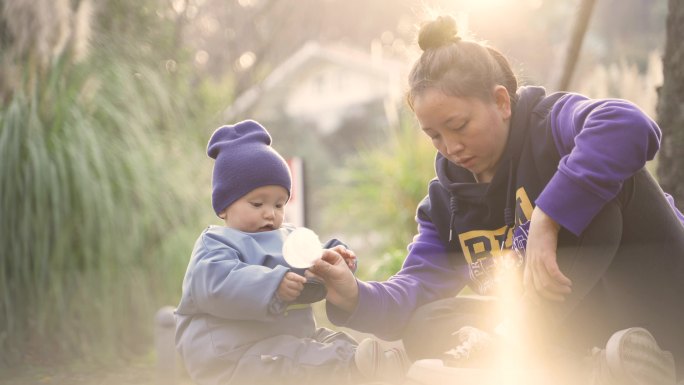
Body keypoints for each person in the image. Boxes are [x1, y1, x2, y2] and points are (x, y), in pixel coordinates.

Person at [309, 15, 684, 385]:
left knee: (600, 193)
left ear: (501, 102)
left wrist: (548, 217)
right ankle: (592, 366)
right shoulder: (446, 203)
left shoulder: (548, 124)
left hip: (663, 300)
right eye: (434, 135)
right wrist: (354, 295)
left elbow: (627, 124)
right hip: (591, 337)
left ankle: (529, 349)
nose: (450, 147)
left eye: (458, 127)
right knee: (427, 320)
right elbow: (413, 289)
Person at [174, 120, 410, 385]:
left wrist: (333, 258)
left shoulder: (286, 236)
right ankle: (357, 368)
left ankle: (371, 363)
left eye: (279, 204)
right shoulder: (216, 243)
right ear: (224, 208)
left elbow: (308, 256)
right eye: (257, 203)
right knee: (301, 360)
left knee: (328, 342)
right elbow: (218, 284)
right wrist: (271, 284)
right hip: (236, 353)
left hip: (286, 340)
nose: (270, 213)